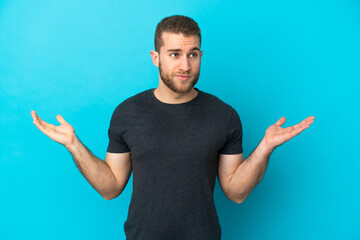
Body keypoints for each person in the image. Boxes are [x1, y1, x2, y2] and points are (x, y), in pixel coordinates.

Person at [31, 15, 315, 240]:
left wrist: (265, 148)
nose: (185, 65)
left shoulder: (224, 115)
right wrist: (74, 145)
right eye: (175, 54)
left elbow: (236, 192)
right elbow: (111, 187)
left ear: (201, 55)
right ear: (156, 57)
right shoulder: (127, 113)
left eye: (193, 54)